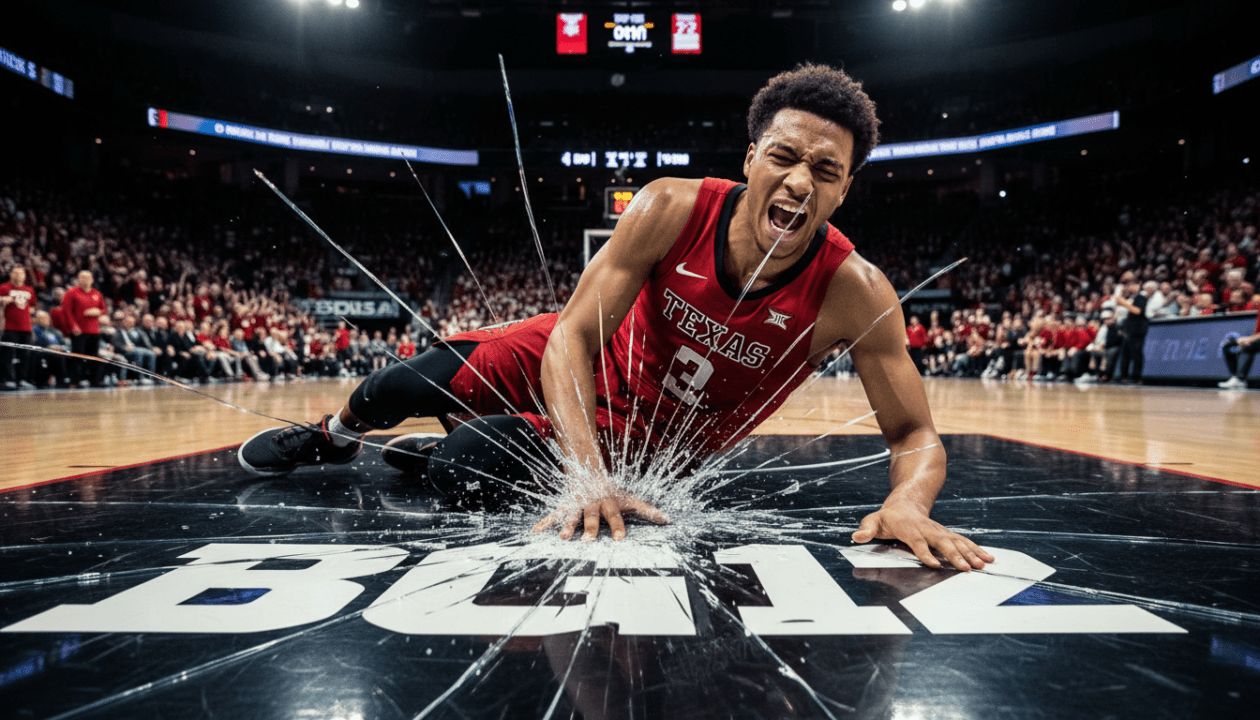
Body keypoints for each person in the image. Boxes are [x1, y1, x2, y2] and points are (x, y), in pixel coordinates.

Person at [238, 63, 993, 572]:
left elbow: (914, 433)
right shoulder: (671, 206)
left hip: (644, 440)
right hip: (577, 360)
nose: (799, 181)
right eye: (784, 157)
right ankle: (335, 438)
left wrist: (906, 501)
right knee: (396, 384)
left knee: (468, 462)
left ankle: (425, 455)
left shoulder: (854, 289)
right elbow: (570, 335)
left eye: (825, 171)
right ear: (753, 157)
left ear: (845, 188)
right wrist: (587, 481)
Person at [62, 270, 107, 387]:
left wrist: (97, 311)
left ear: (92, 280)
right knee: (78, 356)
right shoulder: (71, 292)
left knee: (94, 356)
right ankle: (75, 381)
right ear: (78, 279)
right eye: (81, 277)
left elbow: (103, 309)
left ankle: (94, 380)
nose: (84, 280)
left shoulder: (97, 294)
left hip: (94, 331)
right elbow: (66, 311)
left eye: (87, 278)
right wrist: (73, 326)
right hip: (79, 331)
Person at [1, 265, 37, 390]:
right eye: (16, 273)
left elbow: (32, 307)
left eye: (21, 273)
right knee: (8, 355)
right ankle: (8, 380)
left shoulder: (29, 290)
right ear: (11, 275)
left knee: (25, 355)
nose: (18, 276)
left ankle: (22, 379)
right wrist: (3, 299)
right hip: (10, 327)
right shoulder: (4, 287)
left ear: (25, 276)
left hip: (26, 328)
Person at [1218, 312, 1259, 389]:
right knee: (1227, 346)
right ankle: (1236, 378)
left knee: (1249, 346)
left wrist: (1250, 339)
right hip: (1256, 338)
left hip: (1256, 339)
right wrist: (1248, 339)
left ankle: (1239, 378)